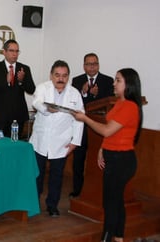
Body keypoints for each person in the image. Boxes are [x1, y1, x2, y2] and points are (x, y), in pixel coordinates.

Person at [72, 68, 142, 242]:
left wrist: (85, 118)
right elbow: (111, 132)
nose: (114, 83)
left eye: (118, 80)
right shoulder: (119, 102)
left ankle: (107, 237)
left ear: (129, 84)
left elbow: (106, 130)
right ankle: (118, 237)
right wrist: (103, 149)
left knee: (110, 201)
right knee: (115, 200)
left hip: (122, 159)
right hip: (112, 156)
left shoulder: (130, 106)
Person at [29, 60, 84, 217]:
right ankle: (33, 203)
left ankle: (52, 205)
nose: (61, 79)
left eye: (64, 76)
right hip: (40, 140)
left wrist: (75, 142)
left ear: (68, 77)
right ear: (51, 75)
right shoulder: (43, 87)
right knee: (37, 174)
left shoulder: (74, 94)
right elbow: (36, 102)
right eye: (57, 75)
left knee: (57, 176)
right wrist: (46, 108)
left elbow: (79, 119)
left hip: (62, 141)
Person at [70, 53, 114, 198]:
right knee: (78, 159)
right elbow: (75, 104)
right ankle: (78, 190)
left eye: (95, 63)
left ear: (98, 65)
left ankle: (97, 190)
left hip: (99, 126)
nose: (92, 66)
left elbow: (108, 104)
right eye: (89, 64)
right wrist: (84, 92)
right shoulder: (77, 81)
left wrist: (95, 95)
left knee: (99, 159)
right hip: (81, 126)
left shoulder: (108, 81)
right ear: (84, 66)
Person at [0, 39, 36, 138]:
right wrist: (6, 81)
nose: (15, 54)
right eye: (11, 51)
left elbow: (31, 89)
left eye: (17, 51)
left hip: (18, 116)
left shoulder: (24, 68)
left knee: (14, 147)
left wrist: (21, 81)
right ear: (4, 52)